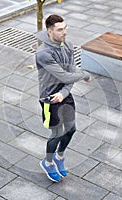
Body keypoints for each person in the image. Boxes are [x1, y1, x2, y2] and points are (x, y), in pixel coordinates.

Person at [36, 14, 91, 182]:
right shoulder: (43, 53)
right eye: (60, 30)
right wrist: (85, 75)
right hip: (50, 98)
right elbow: (67, 76)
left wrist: (64, 93)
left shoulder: (68, 45)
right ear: (50, 31)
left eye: (65, 28)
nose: (64, 32)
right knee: (57, 133)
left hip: (64, 95)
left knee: (71, 129)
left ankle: (59, 158)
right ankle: (48, 162)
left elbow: (71, 72)